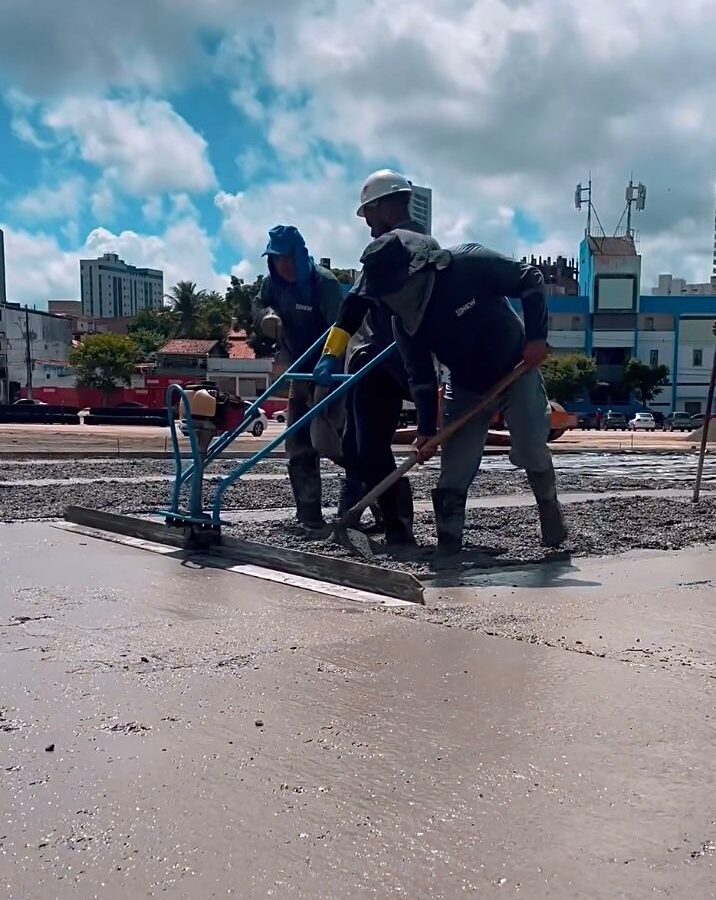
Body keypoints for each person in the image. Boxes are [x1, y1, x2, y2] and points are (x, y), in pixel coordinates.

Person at [315, 229, 567, 554]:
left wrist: (536, 337)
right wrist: (425, 431)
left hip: (516, 368)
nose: (389, 302)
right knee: (454, 471)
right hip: (466, 385)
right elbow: (419, 376)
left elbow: (530, 278)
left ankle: (548, 506)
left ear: (413, 275)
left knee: (531, 444)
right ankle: (448, 548)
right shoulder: (405, 323)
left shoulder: (467, 265)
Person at [322, 169, 428, 544]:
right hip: (404, 360)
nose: (367, 222)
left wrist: (331, 355)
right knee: (366, 447)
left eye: (368, 213)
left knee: (366, 448)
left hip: (389, 362)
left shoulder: (387, 248)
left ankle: (398, 528)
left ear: (383, 207)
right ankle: (394, 525)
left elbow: (353, 306)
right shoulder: (428, 244)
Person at [254, 224, 344, 529]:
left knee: (336, 446)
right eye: (276, 259)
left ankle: (375, 505)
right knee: (298, 446)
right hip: (299, 374)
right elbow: (259, 302)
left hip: (330, 376)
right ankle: (309, 515)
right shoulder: (273, 283)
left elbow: (342, 329)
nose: (282, 264)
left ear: (300, 254)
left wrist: (330, 368)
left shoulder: (324, 284)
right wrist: (267, 316)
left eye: (287, 257)